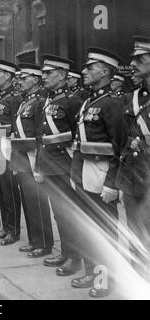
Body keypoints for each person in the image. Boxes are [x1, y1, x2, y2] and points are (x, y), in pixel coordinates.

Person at [70, 47, 126, 298]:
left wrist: (112, 184)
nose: (84, 71)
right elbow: (78, 143)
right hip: (85, 170)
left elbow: (119, 147)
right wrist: (74, 174)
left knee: (104, 229)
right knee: (89, 228)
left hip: (103, 173)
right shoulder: (89, 101)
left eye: (89, 68)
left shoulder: (112, 103)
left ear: (104, 72)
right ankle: (92, 270)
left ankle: (105, 279)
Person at [36, 55, 83, 275]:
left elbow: (78, 136)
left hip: (65, 165)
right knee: (59, 214)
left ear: (63, 75)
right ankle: (66, 252)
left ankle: (75, 258)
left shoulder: (73, 101)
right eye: (43, 73)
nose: (43, 76)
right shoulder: (49, 99)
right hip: (50, 165)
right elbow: (41, 134)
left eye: (49, 73)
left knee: (69, 214)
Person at [11, 63, 54, 258]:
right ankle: (34, 239)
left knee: (37, 201)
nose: (19, 81)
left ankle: (44, 243)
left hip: (33, 156)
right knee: (28, 201)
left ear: (35, 79)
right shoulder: (24, 102)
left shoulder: (40, 102)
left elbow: (39, 134)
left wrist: (38, 164)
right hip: (21, 156)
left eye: (23, 78)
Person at [116, 35, 150, 276]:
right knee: (134, 229)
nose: (134, 64)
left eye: (140, 59)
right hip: (133, 174)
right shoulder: (133, 97)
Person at [0, 59, 22, 246]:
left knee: (9, 191)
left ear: (8, 75)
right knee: (0, 190)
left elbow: (18, 129)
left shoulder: (15, 98)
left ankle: (13, 230)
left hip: (8, 149)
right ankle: (6, 226)